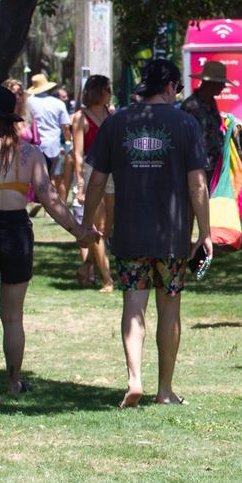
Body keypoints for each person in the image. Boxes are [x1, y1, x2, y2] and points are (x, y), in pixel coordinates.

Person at [0, 85, 98, 402]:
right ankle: (14, 381)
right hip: (16, 231)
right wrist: (80, 231)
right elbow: (52, 200)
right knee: (13, 317)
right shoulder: (30, 155)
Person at [82, 59, 211, 408]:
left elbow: (95, 179)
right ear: (169, 87)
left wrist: (86, 221)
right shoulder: (186, 123)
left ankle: (134, 379)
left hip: (130, 233)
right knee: (170, 309)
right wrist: (205, 232)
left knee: (133, 304)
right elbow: (197, 184)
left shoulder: (117, 121)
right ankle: (165, 389)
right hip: (172, 236)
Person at [71, 75, 115, 291]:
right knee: (96, 225)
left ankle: (87, 265)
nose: (111, 93)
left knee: (108, 226)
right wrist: (80, 185)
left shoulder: (110, 113)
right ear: (99, 91)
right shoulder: (80, 117)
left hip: (112, 170)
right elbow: (77, 153)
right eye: (108, 89)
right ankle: (107, 279)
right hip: (90, 170)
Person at [181, 59, 235, 186]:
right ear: (211, 83)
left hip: (214, 168)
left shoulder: (211, 102)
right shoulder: (191, 106)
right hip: (198, 170)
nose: (223, 86)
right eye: (221, 83)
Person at [25, 73, 72, 205]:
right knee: (57, 177)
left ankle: (40, 202)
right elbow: (65, 127)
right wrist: (68, 143)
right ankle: (57, 204)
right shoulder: (58, 103)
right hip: (54, 145)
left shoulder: (28, 103)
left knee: (37, 177)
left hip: (35, 145)